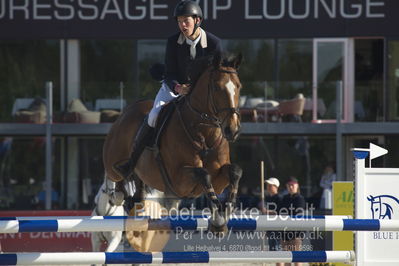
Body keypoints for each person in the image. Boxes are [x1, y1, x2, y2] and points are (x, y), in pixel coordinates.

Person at [114, 0, 223, 179]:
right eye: (179, 21)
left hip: (201, 93)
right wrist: (178, 87)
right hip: (174, 88)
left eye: (186, 21)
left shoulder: (214, 43)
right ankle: (132, 162)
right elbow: (170, 72)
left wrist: (196, 89)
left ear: (197, 21)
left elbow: (216, 75)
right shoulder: (173, 41)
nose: (182, 25)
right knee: (153, 116)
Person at [279, 177, 306, 266]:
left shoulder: (300, 198)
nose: (291, 187)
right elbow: (281, 212)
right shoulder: (285, 198)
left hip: (296, 233)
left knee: (297, 258)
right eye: (289, 185)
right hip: (285, 233)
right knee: (287, 259)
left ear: (297, 186)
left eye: (292, 185)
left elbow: (298, 213)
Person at [260, 177, 283, 258]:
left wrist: (267, 211)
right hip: (270, 228)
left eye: (270, 185)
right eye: (267, 185)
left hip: (277, 229)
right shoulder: (268, 198)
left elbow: (280, 213)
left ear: (276, 187)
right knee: (272, 252)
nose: (268, 187)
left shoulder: (279, 198)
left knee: (277, 252)